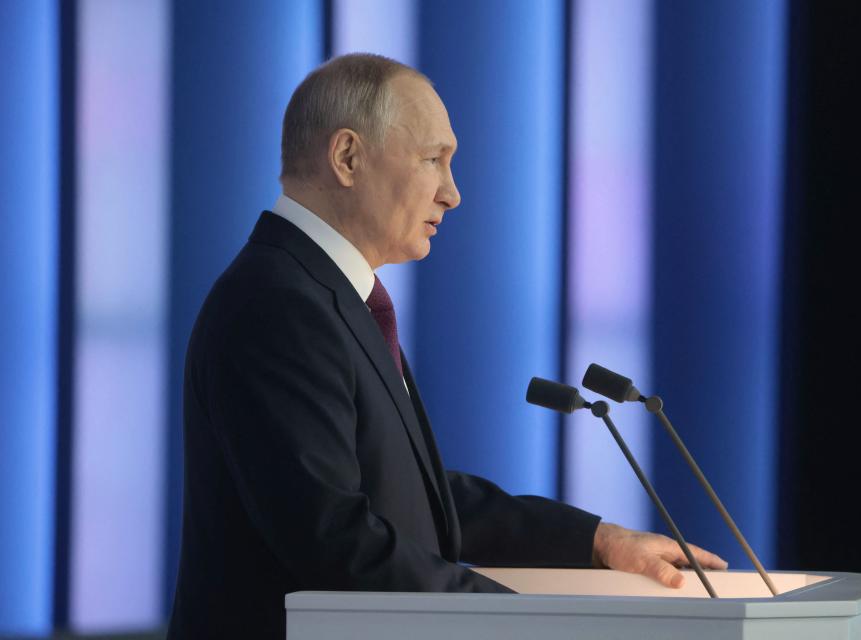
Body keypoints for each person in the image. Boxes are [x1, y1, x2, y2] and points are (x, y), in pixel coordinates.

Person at [166, 53, 726, 639]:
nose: (453, 194)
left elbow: (410, 496)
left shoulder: (326, 294)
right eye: (433, 160)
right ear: (348, 157)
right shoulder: (277, 305)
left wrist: (596, 542)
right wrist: (538, 619)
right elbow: (336, 538)